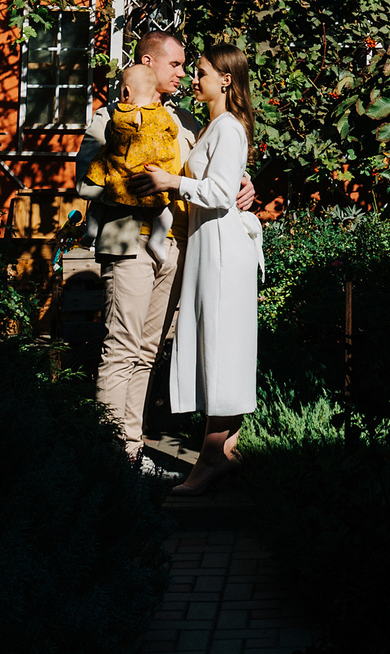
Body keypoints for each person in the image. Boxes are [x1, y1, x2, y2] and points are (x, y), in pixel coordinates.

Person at [81, 30, 255, 467]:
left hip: (176, 247)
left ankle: (131, 448)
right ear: (148, 62)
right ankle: (106, 456)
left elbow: (211, 172)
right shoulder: (110, 117)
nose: (182, 74)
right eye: (175, 64)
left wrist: (244, 184)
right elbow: (87, 179)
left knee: (148, 351)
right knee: (122, 347)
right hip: (129, 240)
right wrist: (130, 184)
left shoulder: (188, 123)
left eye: (186, 67)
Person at [142, 45, 260, 496]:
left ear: (226, 80)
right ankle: (225, 451)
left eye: (202, 72)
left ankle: (210, 459)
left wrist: (171, 181)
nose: (194, 79)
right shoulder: (212, 125)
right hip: (210, 243)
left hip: (223, 249)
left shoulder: (227, 127)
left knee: (222, 346)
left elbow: (220, 192)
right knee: (219, 344)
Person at [88, 64, 185, 265]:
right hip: (151, 181)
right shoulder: (162, 115)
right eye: (174, 64)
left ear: (126, 92)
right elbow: (173, 131)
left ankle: (90, 230)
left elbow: (113, 133)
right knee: (166, 207)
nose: (182, 73)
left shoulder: (118, 114)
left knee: (98, 196)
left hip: (123, 178)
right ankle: (157, 239)